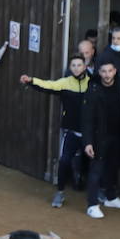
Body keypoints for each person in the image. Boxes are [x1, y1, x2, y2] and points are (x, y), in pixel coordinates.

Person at [20, 57, 90, 209]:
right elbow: (48, 85)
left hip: (90, 133)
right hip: (72, 132)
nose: (76, 68)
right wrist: (31, 80)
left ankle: (102, 192)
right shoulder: (65, 83)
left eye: (79, 65)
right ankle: (60, 192)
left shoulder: (92, 83)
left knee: (98, 162)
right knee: (64, 161)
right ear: (70, 67)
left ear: (85, 67)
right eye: (73, 65)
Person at [80, 54, 120, 219]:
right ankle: (92, 204)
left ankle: (111, 197)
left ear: (115, 71)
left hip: (118, 135)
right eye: (104, 71)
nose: (107, 74)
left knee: (113, 167)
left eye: (110, 71)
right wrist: (88, 142)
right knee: (96, 170)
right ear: (99, 72)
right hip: (99, 137)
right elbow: (87, 118)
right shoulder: (93, 89)